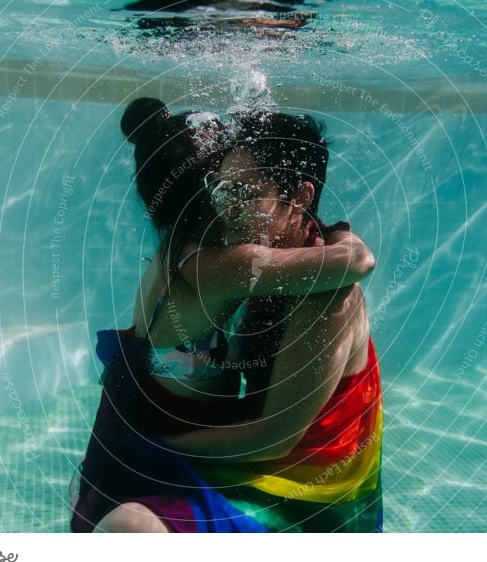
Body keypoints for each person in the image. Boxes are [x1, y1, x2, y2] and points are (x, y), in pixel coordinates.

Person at [69, 99, 375, 533]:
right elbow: (354, 255)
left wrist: (150, 447)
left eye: (244, 193)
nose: (227, 205)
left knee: (127, 530)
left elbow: (275, 438)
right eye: (220, 188)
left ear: (301, 196)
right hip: (223, 453)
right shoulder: (230, 262)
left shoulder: (320, 296)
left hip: (297, 486)